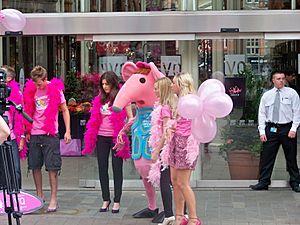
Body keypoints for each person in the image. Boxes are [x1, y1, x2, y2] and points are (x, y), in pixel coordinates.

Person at [82, 71, 133, 213]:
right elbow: (94, 118)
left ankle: (117, 200)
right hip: (101, 137)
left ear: (113, 83)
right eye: (102, 84)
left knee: (117, 169)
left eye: (107, 83)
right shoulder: (100, 99)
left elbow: (131, 118)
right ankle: (106, 199)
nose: (105, 86)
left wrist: (123, 131)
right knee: (102, 167)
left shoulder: (123, 98)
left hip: (117, 138)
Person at [23, 65, 71, 212]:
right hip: (35, 132)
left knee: (52, 167)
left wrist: (67, 130)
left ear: (45, 79)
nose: (37, 86)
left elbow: (64, 110)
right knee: (35, 165)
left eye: (39, 84)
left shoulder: (55, 90)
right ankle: (39, 195)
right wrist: (27, 131)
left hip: (51, 133)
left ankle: (54, 198)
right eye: (35, 84)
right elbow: (28, 111)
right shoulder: (32, 89)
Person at [250, 71, 300, 192]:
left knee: (291, 158)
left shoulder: (292, 93)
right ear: (273, 80)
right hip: (271, 128)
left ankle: (295, 182)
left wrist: (294, 128)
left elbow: (296, 112)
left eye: (283, 78)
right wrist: (262, 131)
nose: (281, 81)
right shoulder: (267, 95)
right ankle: (263, 182)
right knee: (267, 157)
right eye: (278, 78)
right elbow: (261, 114)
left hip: (287, 128)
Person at [168, 72, 201, 225]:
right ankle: (179, 216)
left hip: (186, 144)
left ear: (181, 85)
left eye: (173, 83)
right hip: (175, 142)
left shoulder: (191, 101)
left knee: (183, 183)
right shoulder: (177, 100)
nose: (171, 85)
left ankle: (194, 218)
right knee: (174, 181)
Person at [148, 77, 176, 225]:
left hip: (165, 149)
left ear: (163, 89)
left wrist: (157, 150)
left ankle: (169, 214)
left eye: (157, 88)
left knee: (165, 181)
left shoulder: (164, 107)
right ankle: (180, 212)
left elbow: (167, 131)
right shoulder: (167, 105)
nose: (154, 90)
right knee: (173, 181)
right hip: (167, 148)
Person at [2, 65, 25, 189]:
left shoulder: (17, 94)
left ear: (9, 78)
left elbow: (20, 118)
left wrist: (21, 137)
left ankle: (16, 194)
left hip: (11, 136)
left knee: (15, 168)